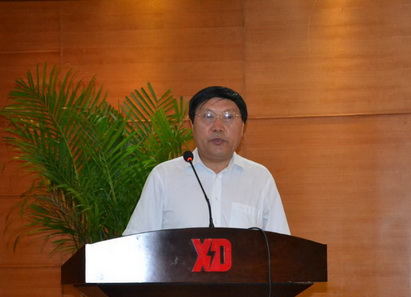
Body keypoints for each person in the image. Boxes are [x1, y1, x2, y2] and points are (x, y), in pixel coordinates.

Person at [123, 86, 290, 236]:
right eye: (208, 116)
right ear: (192, 125)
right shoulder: (164, 176)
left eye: (228, 116)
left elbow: (281, 247)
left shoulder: (260, 178)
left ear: (242, 127)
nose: (218, 127)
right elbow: (137, 243)